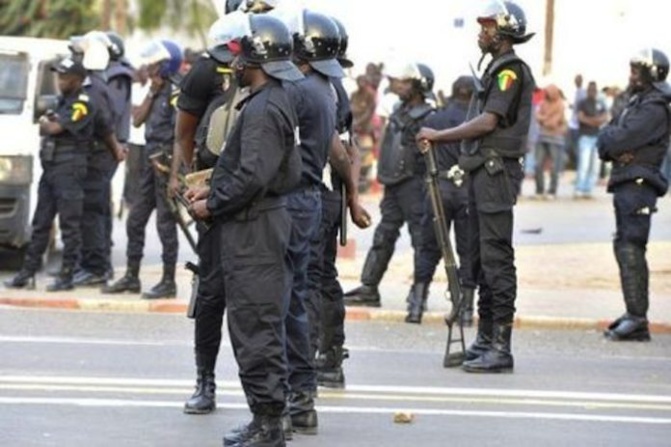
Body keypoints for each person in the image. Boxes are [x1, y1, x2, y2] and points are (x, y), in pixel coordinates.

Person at [186, 13, 303, 447]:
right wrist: (208, 193)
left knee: (257, 327)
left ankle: (270, 424)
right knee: (251, 326)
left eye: (239, 53)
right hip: (251, 224)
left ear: (256, 57)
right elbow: (247, 169)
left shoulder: (265, 106)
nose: (232, 61)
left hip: (256, 229)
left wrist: (213, 202)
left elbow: (253, 175)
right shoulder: (265, 100)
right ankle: (263, 418)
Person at [416, 0, 535, 373]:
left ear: (502, 33)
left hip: (496, 175)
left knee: (497, 259)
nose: (480, 33)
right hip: (482, 173)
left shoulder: (510, 71)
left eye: (486, 27)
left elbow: (487, 122)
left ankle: (501, 344)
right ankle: (485, 338)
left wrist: (439, 136)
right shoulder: (495, 67)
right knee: (481, 260)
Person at [169, 7, 247, 416]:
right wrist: (192, 178)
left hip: (258, 196)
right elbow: (184, 130)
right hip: (214, 197)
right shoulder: (205, 70)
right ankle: (205, 380)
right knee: (212, 292)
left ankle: (281, 393)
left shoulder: (277, 70)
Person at [309, 16, 371, 390]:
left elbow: (342, 150)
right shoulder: (334, 87)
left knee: (315, 276)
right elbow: (352, 149)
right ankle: (327, 353)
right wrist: (352, 197)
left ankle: (325, 354)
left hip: (320, 194)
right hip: (329, 194)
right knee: (320, 275)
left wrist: (353, 198)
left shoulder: (323, 87)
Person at [343, 61, 435, 308]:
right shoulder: (398, 111)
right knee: (383, 236)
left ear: (419, 86)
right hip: (394, 186)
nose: (397, 86)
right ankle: (369, 287)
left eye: (404, 82)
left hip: (415, 185)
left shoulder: (429, 115)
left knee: (420, 240)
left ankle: (419, 293)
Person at [4, 58, 95, 291]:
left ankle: (66, 276)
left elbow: (53, 127)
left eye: (64, 77)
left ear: (77, 80)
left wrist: (48, 122)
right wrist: (48, 121)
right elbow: (48, 123)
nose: (59, 80)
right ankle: (27, 273)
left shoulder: (82, 104)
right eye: (58, 76)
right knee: (40, 223)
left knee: (69, 225)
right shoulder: (61, 101)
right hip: (52, 169)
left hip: (70, 170)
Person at [598, 48, 670, 342]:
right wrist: (612, 140)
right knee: (624, 246)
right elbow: (608, 140)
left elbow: (620, 138)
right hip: (627, 180)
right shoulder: (639, 102)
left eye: (636, 71)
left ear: (651, 73)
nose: (631, 76)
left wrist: (615, 141)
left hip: (639, 184)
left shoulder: (655, 106)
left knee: (631, 247)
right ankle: (633, 313)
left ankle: (638, 318)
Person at [101, 39, 183, 299]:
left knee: (166, 225)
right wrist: (150, 91)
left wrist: (174, 177)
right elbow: (136, 121)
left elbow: (181, 136)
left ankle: (168, 282)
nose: (148, 68)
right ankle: (131, 277)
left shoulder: (176, 92)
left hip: (167, 162)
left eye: (154, 64)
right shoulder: (156, 90)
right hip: (149, 160)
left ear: (165, 66)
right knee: (135, 220)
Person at [411, 75, 476, 325]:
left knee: (429, 248)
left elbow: (420, 156)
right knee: (468, 250)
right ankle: (466, 310)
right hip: (467, 189)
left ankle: (417, 305)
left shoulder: (434, 119)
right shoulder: (475, 121)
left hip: (439, 188)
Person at [68, 31, 126, 286]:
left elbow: (104, 126)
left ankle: (95, 268)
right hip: (97, 157)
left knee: (92, 212)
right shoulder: (93, 84)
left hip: (99, 158)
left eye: (78, 55)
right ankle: (97, 266)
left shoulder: (95, 88)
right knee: (96, 212)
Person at [574, 81, 608, 199]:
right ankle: (579, 188)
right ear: (587, 90)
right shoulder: (582, 103)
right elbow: (580, 118)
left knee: (594, 165)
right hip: (585, 136)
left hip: (597, 136)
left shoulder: (600, 103)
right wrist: (595, 121)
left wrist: (591, 120)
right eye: (590, 90)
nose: (592, 92)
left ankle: (588, 189)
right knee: (583, 164)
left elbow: (605, 118)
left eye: (594, 90)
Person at [533, 83, 566, 199]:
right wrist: (546, 118)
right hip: (542, 138)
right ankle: (539, 190)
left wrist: (544, 119)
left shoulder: (560, 104)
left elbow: (553, 123)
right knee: (537, 165)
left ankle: (552, 191)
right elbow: (537, 116)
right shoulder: (542, 103)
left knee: (554, 167)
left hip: (555, 139)